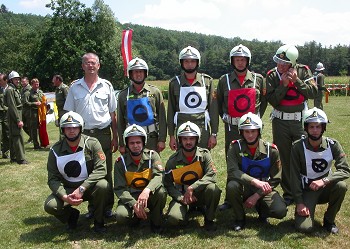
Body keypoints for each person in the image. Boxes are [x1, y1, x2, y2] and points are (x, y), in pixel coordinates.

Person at [64, 52, 118, 219]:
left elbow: (113, 114)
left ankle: (107, 207)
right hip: (83, 135)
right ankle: (93, 208)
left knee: (106, 171)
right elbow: (68, 113)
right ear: (82, 66)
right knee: (87, 170)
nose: (90, 65)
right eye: (87, 63)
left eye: (93, 62)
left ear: (99, 65)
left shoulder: (107, 86)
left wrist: (115, 136)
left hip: (102, 134)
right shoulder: (74, 87)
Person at [216, 44, 267, 211]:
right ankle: (231, 198)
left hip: (252, 128)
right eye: (237, 60)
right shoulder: (224, 80)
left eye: (243, 59)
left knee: (254, 158)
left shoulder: (258, 79)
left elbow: (263, 102)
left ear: (248, 61)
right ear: (232, 61)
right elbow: (219, 103)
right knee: (233, 161)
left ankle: (257, 194)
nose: (240, 62)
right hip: (232, 127)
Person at [265, 44, 318, 205]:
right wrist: (283, 85)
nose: (280, 66)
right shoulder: (272, 75)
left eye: (285, 63)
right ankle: (289, 193)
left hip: (299, 121)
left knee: (303, 155)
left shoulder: (303, 70)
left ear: (293, 63)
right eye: (278, 62)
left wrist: (297, 81)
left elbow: (314, 92)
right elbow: (273, 100)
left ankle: (303, 190)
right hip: (280, 121)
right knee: (284, 158)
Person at [44, 111, 108, 233]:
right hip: (68, 189)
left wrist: (82, 188)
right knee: (50, 205)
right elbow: (53, 179)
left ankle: (99, 221)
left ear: (80, 128)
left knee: (103, 185)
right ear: (63, 130)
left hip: (88, 187)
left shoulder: (92, 143)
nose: (71, 131)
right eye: (67, 128)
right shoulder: (55, 150)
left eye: (74, 127)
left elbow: (101, 169)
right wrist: (64, 196)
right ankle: (71, 216)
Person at [290, 107, 350, 234]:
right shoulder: (297, 147)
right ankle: (304, 209)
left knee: (341, 186)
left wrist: (325, 180)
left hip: (326, 187)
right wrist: (299, 203)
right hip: (308, 190)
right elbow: (294, 177)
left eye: (318, 126)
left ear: (323, 128)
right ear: (306, 128)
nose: (315, 130)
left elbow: (345, 170)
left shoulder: (333, 145)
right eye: (311, 127)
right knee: (304, 228)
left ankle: (329, 220)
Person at [226, 112, 287, 231]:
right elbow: (232, 171)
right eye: (246, 131)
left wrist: (256, 195)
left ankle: (262, 210)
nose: (250, 135)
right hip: (243, 187)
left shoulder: (272, 150)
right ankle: (240, 218)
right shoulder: (234, 147)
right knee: (232, 186)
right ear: (241, 132)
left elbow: (275, 178)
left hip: (263, 189)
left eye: (253, 131)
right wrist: (255, 182)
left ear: (259, 131)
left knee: (280, 211)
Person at [164, 121, 221, 231]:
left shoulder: (204, 155)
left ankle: (209, 220)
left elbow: (211, 175)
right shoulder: (173, 160)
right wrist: (181, 198)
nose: (188, 142)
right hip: (182, 195)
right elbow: (167, 183)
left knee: (213, 189)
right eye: (184, 139)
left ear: (197, 139)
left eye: (191, 138)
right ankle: (184, 214)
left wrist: (192, 188)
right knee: (173, 218)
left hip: (200, 193)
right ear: (180, 140)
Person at [114, 124, 166, 233]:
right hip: (131, 195)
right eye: (132, 143)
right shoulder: (120, 162)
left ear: (143, 143)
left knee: (161, 192)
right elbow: (120, 188)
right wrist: (133, 203)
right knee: (120, 216)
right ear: (127, 145)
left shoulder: (153, 156)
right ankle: (135, 217)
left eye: (138, 142)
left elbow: (159, 175)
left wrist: (147, 190)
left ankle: (156, 221)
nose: (135, 146)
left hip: (149, 195)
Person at [167, 46, 219, 151]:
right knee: (182, 160)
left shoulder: (207, 81)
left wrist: (214, 133)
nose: (189, 64)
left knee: (203, 159)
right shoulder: (174, 83)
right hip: (182, 128)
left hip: (202, 128)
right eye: (186, 61)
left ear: (197, 62)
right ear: (181, 63)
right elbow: (171, 110)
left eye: (192, 61)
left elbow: (213, 110)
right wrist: (171, 135)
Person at [117, 58, 167, 154]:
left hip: (151, 138)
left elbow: (162, 117)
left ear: (145, 73)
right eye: (135, 72)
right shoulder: (123, 95)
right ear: (130, 74)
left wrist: (162, 139)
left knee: (152, 165)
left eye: (141, 71)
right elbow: (120, 121)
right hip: (131, 139)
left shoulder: (155, 92)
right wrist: (121, 144)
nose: (138, 74)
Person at [4, 71, 28, 164]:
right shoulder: (10, 90)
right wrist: (18, 120)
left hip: (15, 116)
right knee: (18, 137)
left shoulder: (14, 89)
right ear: (11, 80)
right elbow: (12, 106)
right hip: (14, 117)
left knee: (14, 137)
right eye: (15, 79)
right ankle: (21, 159)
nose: (18, 81)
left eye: (18, 79)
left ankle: (14, 157)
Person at [28, 78, 45, 149]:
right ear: (32, 85)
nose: (37, 85)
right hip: (34, 112)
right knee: (34, 129)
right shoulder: (29, 93)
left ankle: (43, 143)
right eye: (35, 84)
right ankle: (36, 144)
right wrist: (34, 103)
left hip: (41, 112)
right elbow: (26, 103)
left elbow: (44, 99)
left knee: (41, 128)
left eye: (37, 83)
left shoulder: (40, 92)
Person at [0, 74, 10, 159]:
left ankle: (5, 152)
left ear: (5, 80)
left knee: (7, 134)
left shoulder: (10, 89)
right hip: (0, 114)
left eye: (0, 80)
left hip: (7, 114)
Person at [20, 77, 32, 142]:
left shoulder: (30, 89)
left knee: (30, 125)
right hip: (23, 109)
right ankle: (31, 136)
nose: (23, 83)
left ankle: (32, 137)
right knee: (24, 125)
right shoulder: (22, 89)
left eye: (24, 81)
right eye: (22, 82)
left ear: (27, 81)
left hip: (29, 109)